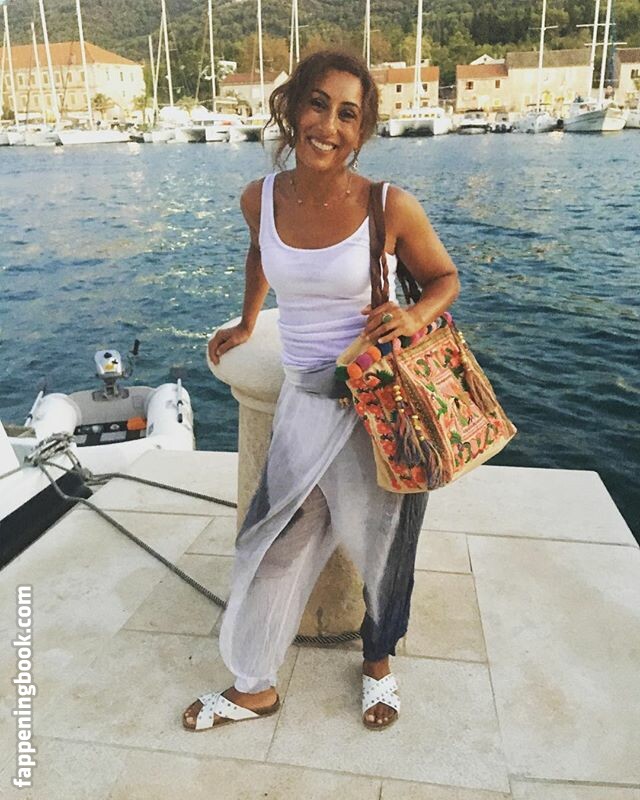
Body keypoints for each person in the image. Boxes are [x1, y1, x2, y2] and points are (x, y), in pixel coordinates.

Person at [183, 50, 459, 732]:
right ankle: (254, 685)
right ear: (292, 107)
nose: (328, 126)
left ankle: (377, 664)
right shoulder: (261, 197)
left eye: (348, 115)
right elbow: (260, 252)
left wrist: (413, 315)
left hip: (377, 405)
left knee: (385, 542)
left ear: (361, 131)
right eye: (318, 104)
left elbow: (444, 278)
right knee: (272, 539)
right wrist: (248, 320)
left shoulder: (388, 205)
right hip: (306, 402)